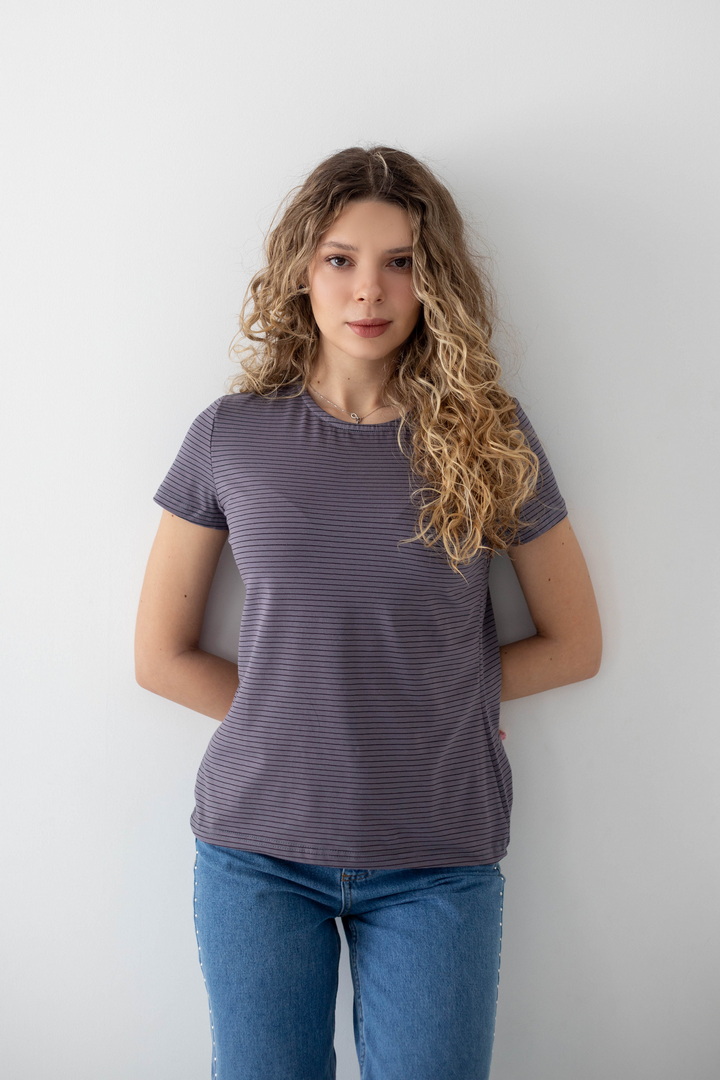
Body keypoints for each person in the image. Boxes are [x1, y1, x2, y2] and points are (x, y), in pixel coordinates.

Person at [134, 145, 601, 1080]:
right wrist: (301, 714)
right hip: (257, 854)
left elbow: (575, 643)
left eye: (401, 262)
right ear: (301, 269)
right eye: (341, 258)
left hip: (437, 857)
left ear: (435, 282)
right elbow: (160, 656)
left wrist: (445, 700)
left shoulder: (488, 432)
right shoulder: (231, 434)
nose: (368, 290)